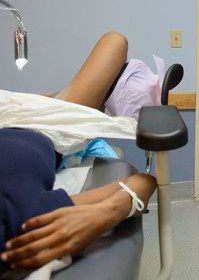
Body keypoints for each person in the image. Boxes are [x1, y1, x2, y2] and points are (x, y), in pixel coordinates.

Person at [0, 32, 157, 271]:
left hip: (13, 112)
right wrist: (106, 213)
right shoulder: (21, 222)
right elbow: (143, 183)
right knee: (115, 42)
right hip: (41, 126)